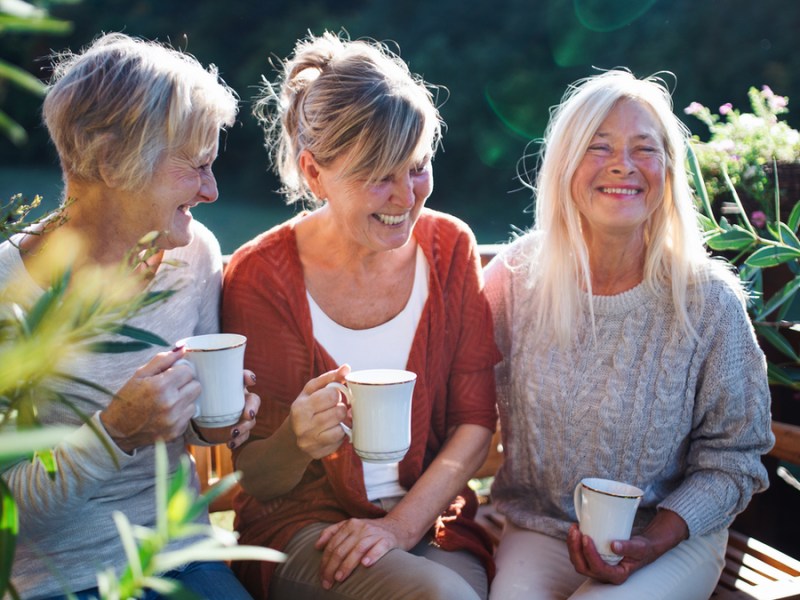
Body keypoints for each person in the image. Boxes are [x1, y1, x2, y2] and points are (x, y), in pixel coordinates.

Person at [222, 31, 500, 600]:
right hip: (302, 531)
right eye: (379, 175)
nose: (406, 197)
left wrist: (399, 527)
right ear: (314, 172)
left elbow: (475, 424)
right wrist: (298, 441)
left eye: (417, 167)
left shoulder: (450, 248)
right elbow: (256, 480)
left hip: (427, 525)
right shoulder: (261, 277)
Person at [484, 69, 775, 600]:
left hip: (672, 536)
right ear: (565, 165)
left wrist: (657, 538)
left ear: (667, 169)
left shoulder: (709, 302)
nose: (623, 163)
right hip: (541, 529)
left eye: (645, 148)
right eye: (599, 146)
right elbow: (454, 396)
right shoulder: (514, 279)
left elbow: (735, 457)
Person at [0, 33, 260, 600]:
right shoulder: (6, 290)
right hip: (60, 581)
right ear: (113, 162)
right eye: (196, 167)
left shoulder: (194, 254)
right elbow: (6, 510)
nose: (212, 191)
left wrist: (218, 417)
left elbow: (199, 430)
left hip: (181, 559)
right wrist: (114, 433)